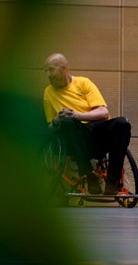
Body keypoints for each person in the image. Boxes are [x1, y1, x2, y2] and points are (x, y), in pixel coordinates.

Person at [43, 53, 132, 195]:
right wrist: (57, 119)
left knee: (122, 123)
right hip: (73, 138)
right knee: (67, 122)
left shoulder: (83, 83)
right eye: (45, 70)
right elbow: (50, 128)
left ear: (63, 68)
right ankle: (89, 177)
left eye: (51, 69)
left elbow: (103, 113)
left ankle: (112, 180)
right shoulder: (48, 92)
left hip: (94, 133)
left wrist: (78, 115)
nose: (48, 74)